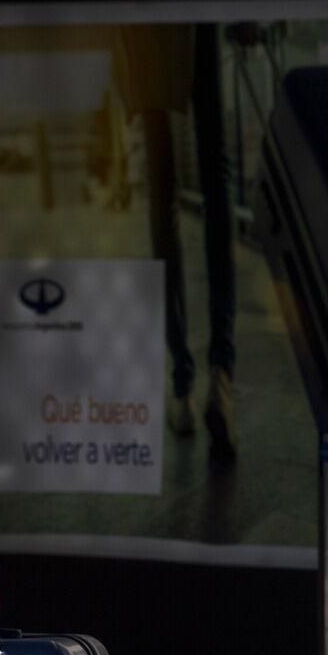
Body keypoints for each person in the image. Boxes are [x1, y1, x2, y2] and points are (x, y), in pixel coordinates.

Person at [113, 23, 237, 460]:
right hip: (204, 17)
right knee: (216, 174)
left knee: (162, 188)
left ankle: (182, 385)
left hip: (152, 24)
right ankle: (221, 375)